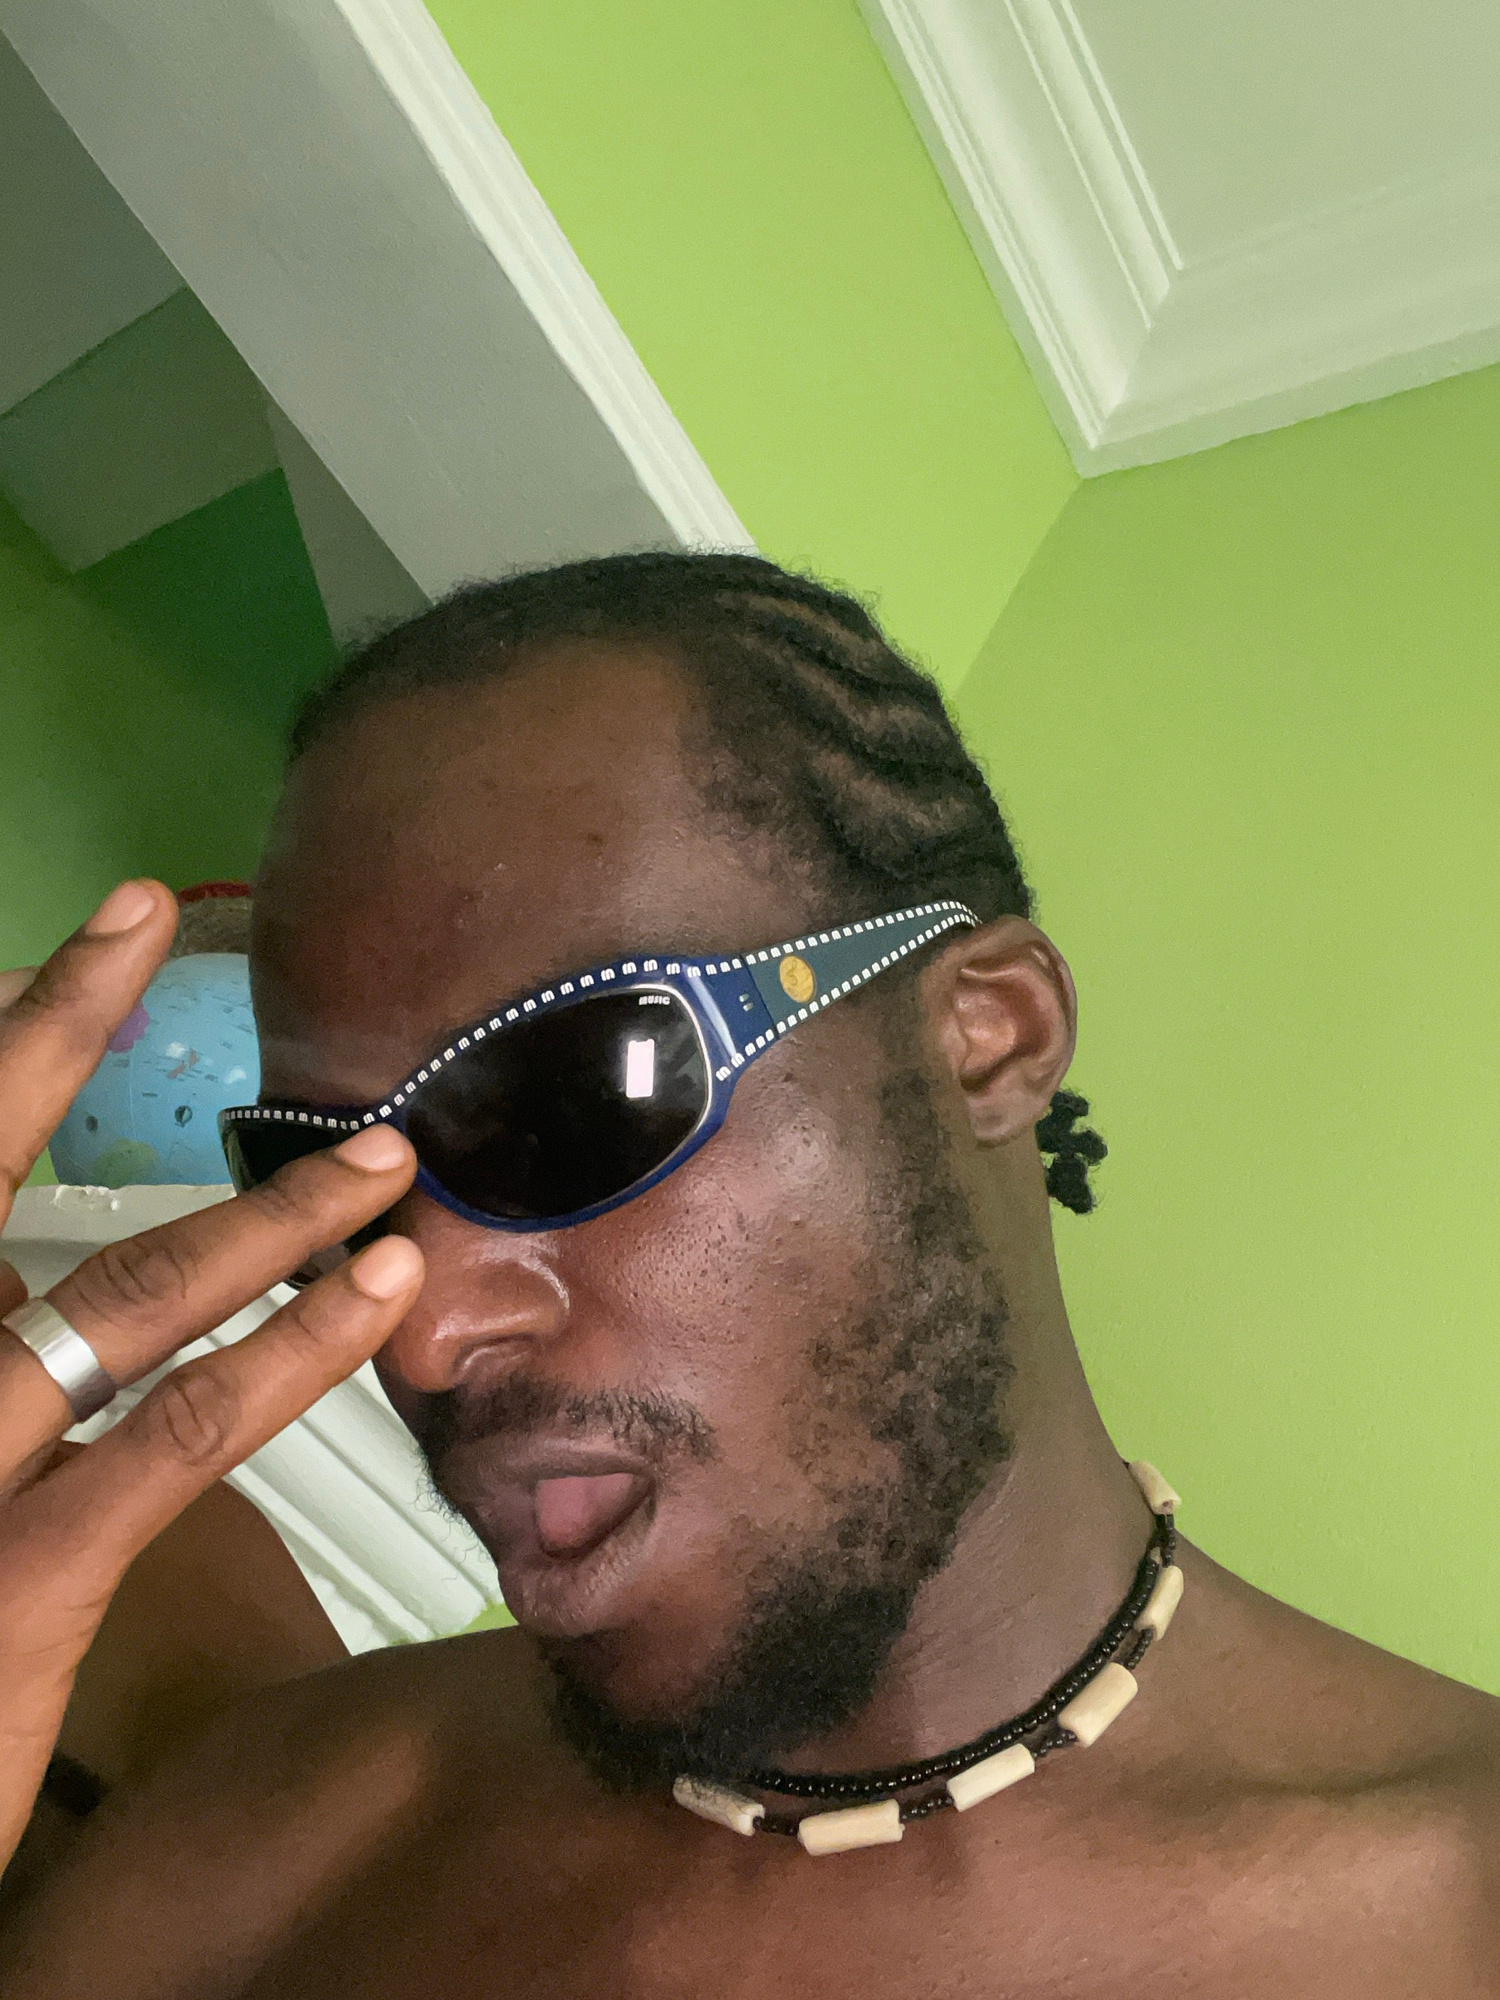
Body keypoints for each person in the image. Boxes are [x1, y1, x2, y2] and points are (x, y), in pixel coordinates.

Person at [1, 552, 1497, 1997]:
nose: (425, 1331)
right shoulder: (268, 1836)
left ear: (992, 1036)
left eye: (579, 1100)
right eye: (327, 1178)